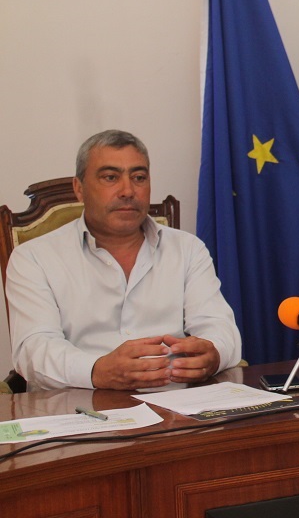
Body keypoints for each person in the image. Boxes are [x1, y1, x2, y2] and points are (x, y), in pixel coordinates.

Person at [6, 130, 242, 390]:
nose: (128, 190)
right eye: (110, 177)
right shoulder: (34, 258)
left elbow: (220, 327)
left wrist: (213, 353)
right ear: (79, 189)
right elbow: (33, 348)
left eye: (139, 177)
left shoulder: (187, 249)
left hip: (175, 407)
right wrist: (96, 370)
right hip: (78, 407)